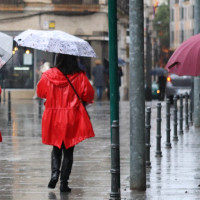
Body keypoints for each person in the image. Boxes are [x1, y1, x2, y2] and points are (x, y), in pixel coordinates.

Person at [36, 54, 95, 192]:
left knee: (56, 148)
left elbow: (40, 92)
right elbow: (88, 94)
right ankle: (64, 183)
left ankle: (55, 173)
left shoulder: (48, 75)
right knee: (68, 151)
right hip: (71, 116)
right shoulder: (79, 75)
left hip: (53, 116)